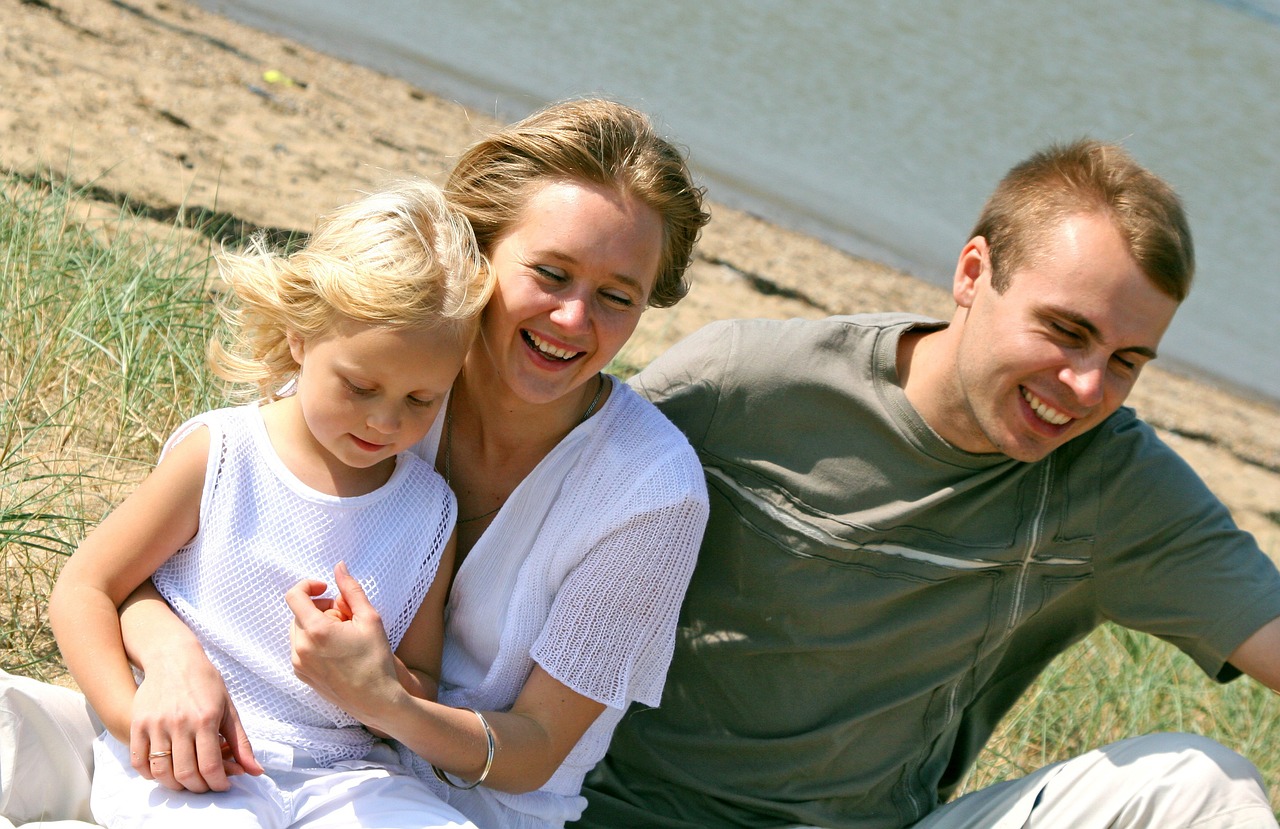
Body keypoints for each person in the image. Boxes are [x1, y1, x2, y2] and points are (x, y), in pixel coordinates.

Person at [0, 98, 710, 829]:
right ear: (481, 257)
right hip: (224, 736)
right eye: (551, 273)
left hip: (414, 794)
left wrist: (388, 698)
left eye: (617, 296)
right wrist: (171, 651)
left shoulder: (651, 493)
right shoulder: (389, 345)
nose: (572, 319)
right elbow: (159, 567)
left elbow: (537, 750)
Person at [575, 139, 1280, 828]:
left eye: (1127, 360)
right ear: (974, 273)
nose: (1088, 387)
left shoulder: (1115, 482)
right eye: (1066, 330)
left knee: (1203, 785)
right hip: (614, 811)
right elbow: (526, 504)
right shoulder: (745, 382)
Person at [48, 179, 492, 827]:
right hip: (199, 759)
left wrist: (379, 672)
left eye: (421, 399)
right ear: (301, 338)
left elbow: (420, 677)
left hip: (349, 777)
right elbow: (85, 586)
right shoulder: (223, 453)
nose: (385, 421)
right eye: (361, 385)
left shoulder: (429, 512)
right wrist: (130, 716)